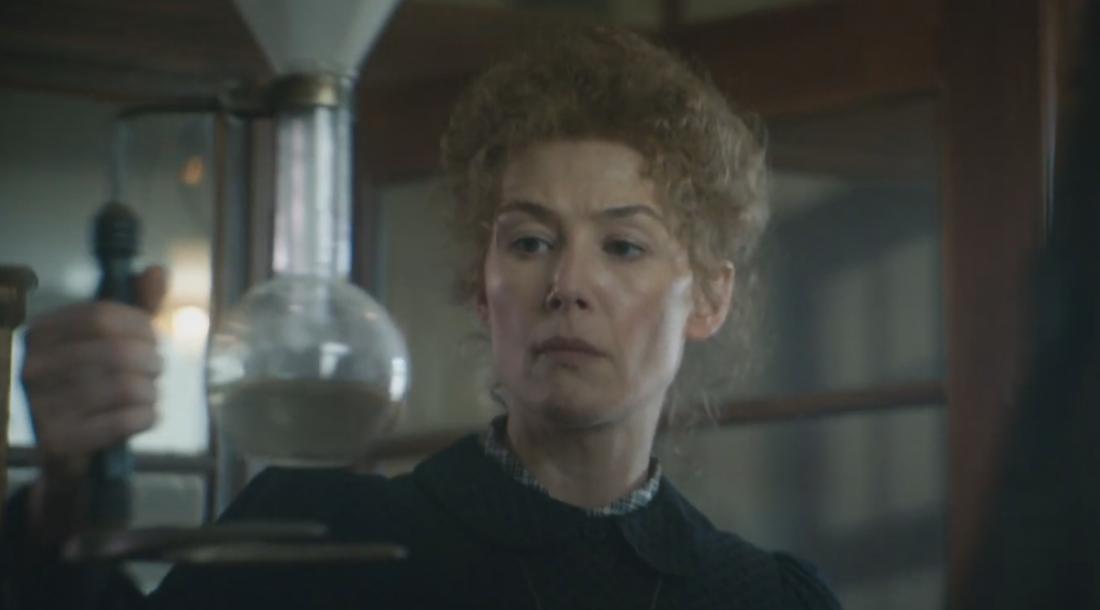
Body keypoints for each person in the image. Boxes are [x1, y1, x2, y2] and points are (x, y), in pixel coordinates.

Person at [3, 27, 842, 609]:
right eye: (530, 241)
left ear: (710, 298)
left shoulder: (766, 599)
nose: (567, 284)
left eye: (624, 246)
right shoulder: (318, 538)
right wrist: (61, 506)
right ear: (483, 288)